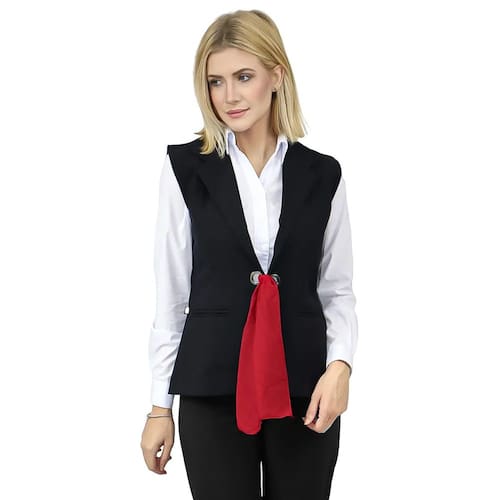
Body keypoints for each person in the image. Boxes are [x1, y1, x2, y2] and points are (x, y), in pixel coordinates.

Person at [140, 9, 358, 500]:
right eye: (215, 82)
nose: (229, 96)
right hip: (212, 385)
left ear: (276, 76)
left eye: (244, 77)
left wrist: (341, 366)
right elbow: (171, 298)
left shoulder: (323, 175)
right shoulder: (185, 169)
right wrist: (159, 407)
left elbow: (336, 290)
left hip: (306, 388)